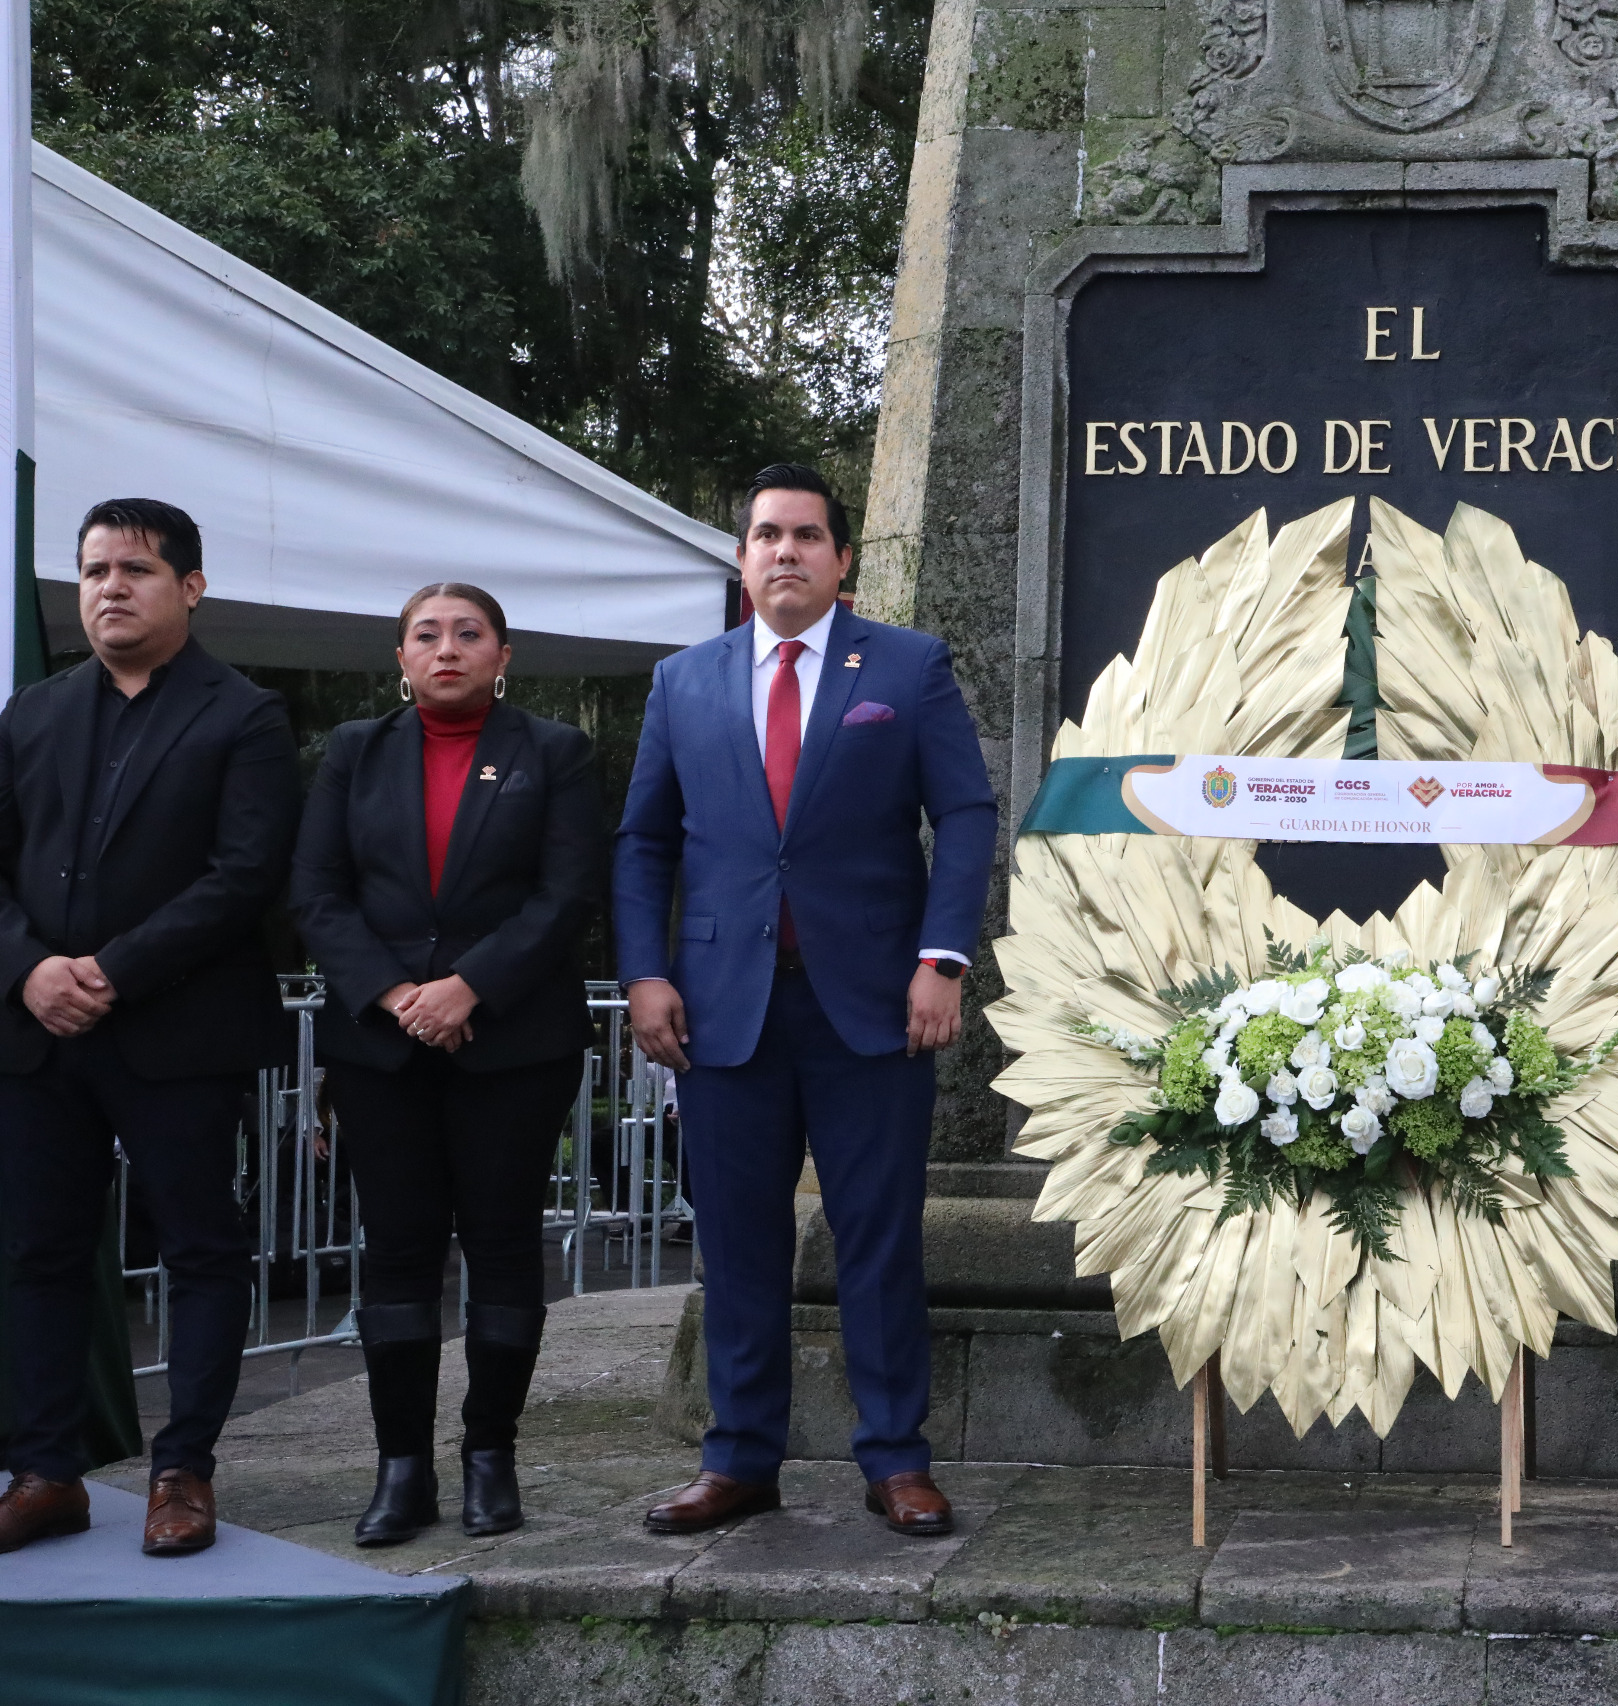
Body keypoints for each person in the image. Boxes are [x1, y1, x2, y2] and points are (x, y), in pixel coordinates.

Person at [615, 464, 995, 1537]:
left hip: (873, 1001)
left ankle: (895, 1456)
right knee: (737, 1241)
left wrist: (942, 957)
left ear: (842, 558)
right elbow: (643, 838)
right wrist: (645, 971)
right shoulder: (683, 679)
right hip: (721, 1005)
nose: (786, 550)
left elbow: (963, 814)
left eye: (807, 536)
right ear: (741, 558)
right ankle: (739, 1456)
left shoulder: (907, 666)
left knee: (877, 1236)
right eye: (766, 535)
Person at [0, 499, 301, 1556]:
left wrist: (110, 971)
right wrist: (31, 966)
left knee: (200, 1251)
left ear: (191, 586)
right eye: (93, 571)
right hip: (38, 1036)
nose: (110, 587)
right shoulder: (30, 713)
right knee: (38, 1252)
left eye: (135, 568)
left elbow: (243, 875)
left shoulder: (245, 715)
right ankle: (45, 1468)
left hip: (179, 1035)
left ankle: (185, 1471)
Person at [291, 583, 606, 1546]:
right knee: (397, 1247)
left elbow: (567, 893)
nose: (447, 649)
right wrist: (399, 997)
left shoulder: (553, 753)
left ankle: (488, 1457)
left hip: (512, 1043)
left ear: (503, 654)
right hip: (381, 1048)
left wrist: (469, 987)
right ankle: (401, 1467)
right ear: (401, 657)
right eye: (426, 635)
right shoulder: (356, 752)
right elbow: (316, 889)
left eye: (469, 634)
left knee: (504, 1243)